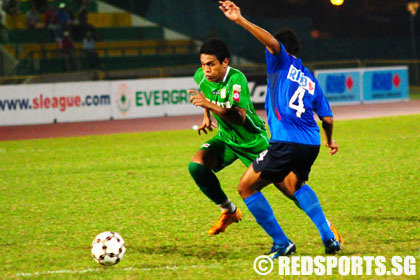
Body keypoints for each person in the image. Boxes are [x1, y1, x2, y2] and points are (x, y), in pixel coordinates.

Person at [219, 1, 342, 258]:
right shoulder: (310, 78)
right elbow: (327, 119)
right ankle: (329, 237)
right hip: (311, 144)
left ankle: (282, 243)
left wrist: (240, 20)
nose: (268, 49)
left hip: (286, 141)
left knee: (246, 187)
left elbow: (273, 45)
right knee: (295, 185)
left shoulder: (279, 61)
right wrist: (330, 140)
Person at [188, 38, 343, 243]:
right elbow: (208, 93)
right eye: (202, 64)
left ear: (224, 62)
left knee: (290, 187)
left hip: (253, 140)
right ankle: (229, 211)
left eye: (210, 64)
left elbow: (238, 117)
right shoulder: (200, 76)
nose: (205, 69)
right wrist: (206, 115)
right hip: (226, 138)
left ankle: (328, 227)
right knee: (197, 166)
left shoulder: (237, 79)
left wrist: (208, 104)